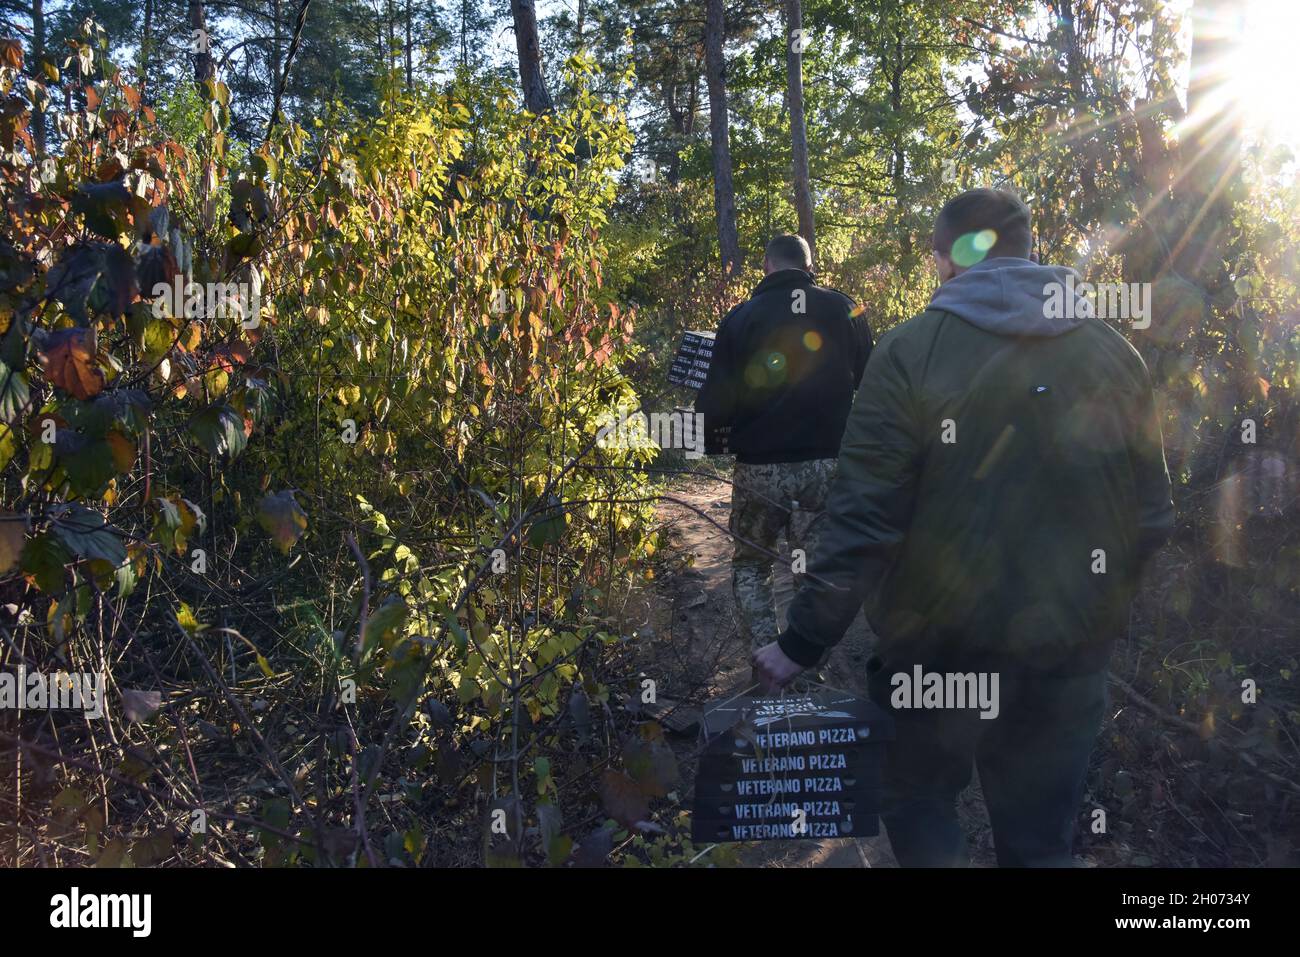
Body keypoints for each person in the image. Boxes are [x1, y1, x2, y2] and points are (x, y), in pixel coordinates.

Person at [753, 189, 1175, 867]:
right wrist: (1093, 613)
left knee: (919, 804)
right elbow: (1153, 515)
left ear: (945, 261)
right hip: (1063, 663)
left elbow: (863, 516)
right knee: (1040, 842)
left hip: (934, 657)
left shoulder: (910, 353)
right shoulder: (1113, 355)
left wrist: (801, 640)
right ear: (1031, 252)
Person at [696, 234, 872, 672]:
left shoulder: (740, 318)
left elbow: (716, 402)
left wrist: (713, 438)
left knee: (751, 565)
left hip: (759, 466)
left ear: (766, 266)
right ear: (810, 266)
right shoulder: (847, 308)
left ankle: (764, 658)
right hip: (826, 466)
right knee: (813, 570)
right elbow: (873, 383)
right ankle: (804, 669)